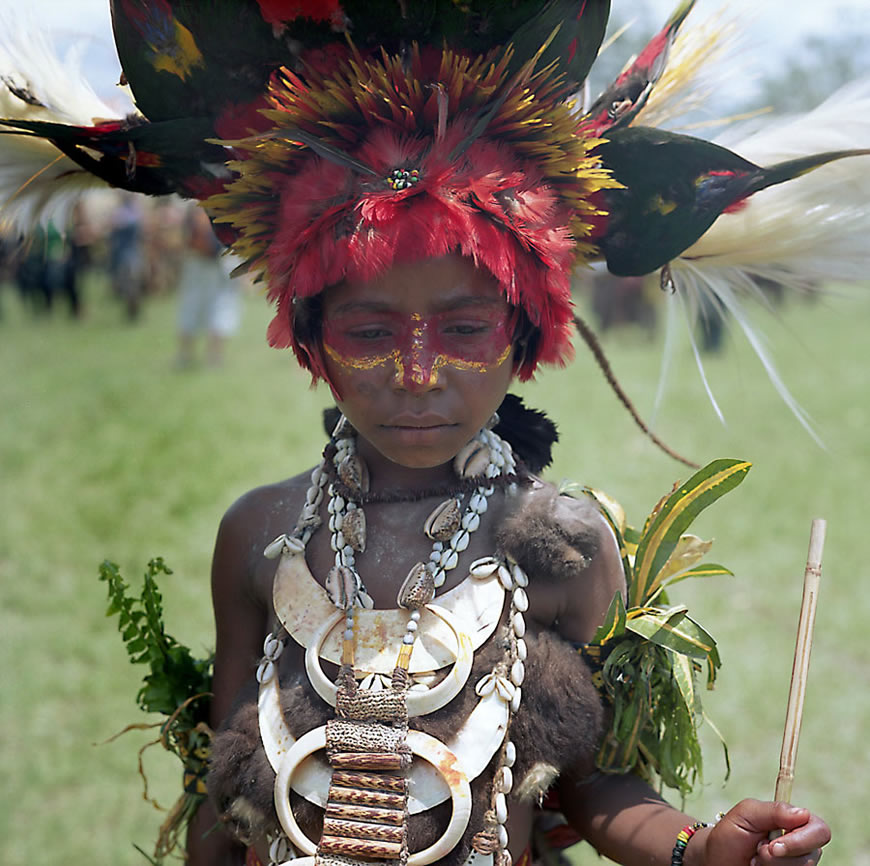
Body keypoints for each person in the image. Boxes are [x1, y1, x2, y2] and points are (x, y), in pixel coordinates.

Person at [1, 3, 859, 866]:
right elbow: (223, 799)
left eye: (463, 329)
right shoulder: (258, 538)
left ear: (526, 337)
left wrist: (699, 850)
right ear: (311, 342)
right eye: (371, 333)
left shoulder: (566, 548)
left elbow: (596, 788)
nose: (417, 373)